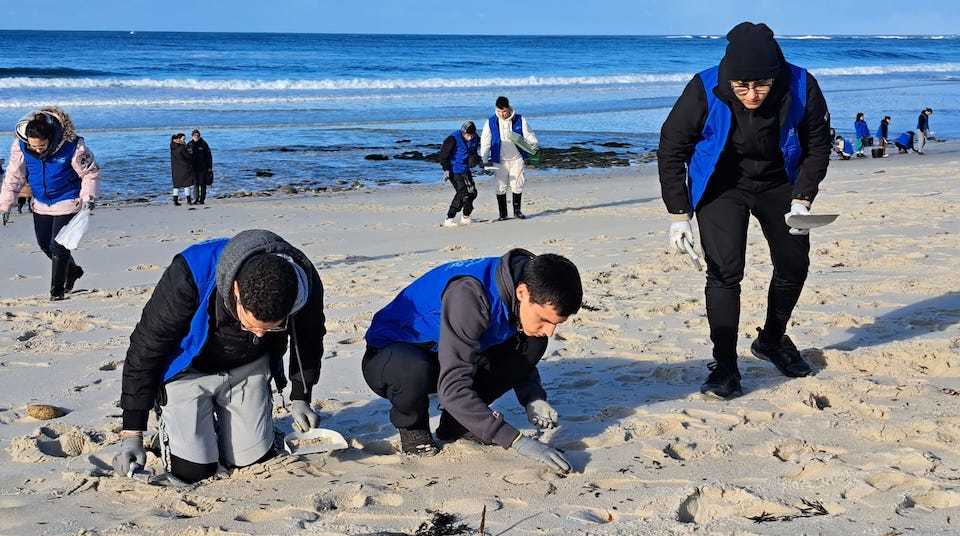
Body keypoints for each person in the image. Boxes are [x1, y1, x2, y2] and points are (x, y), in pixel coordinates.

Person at [657, 22, 831, 400]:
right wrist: (678, 215)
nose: (751, 94)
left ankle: (771, 340)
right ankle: (725, 365)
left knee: (793, 263)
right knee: (724, 272)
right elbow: (671, 147)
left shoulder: (801, 85)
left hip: (778, 182)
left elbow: (818, 145)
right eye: (742, 87)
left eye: (761, 85)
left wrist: (803, 197)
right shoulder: (704, 88)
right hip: (722, 185)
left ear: (775, 77)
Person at [113, 230, 327, 484]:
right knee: (194, 473)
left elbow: (309, 337)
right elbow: (145, 347)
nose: (259, 334)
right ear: (236, 290)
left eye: (271, 328)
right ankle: (171, 428)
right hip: (187, 371)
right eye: (251, 324)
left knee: (253, 460)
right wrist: (132, 434)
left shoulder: (301, 280)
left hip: (247, 369)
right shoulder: (191, 271)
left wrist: (301, 396)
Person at [362, 249, 582, 473]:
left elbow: (515, 356)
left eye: (557, 323)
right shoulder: (468, 295)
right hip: (392, 356)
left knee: (534, 341)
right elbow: (452, 389)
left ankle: (456, 424)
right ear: (522, 292)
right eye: (545, 319)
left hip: (452, 351)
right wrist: (517, 441)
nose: (550, 331)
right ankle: (414, 430)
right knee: (414, 369)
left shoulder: (527, 279)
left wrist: (533, 397)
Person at [0, 107, 100, 300]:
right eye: (33, 146)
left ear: (51, 138)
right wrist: (5, 205)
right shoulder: (20, 146)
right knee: (45, 244)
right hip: (41, 203)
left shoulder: (72, 146)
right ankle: (72, 271)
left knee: (59, 245)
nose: (37, 150)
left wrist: (88, 201)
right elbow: (14, 176)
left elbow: (90, 173)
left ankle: (57, 291)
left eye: (42, 146)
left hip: (68, 199)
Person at [480, 96, 539, 221]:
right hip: (499, 160)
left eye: (504, 111)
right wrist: (485, 160)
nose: (502, 114)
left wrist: (531, 146)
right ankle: (503, 214)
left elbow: (531, 138)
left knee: (517, 184)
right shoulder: (490, 122)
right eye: (500, 111)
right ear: (496, 109)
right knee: (500, 186)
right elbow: (485, 142)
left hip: (517, 159)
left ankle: (517, 211)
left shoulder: (520, 119)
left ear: (509, 108)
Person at [438, 121, 480, 227]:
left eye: (472, 135)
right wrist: (446, 169)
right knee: (462, 193)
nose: (469, 137)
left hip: (465, 170)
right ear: (463, 132)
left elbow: (474, 153)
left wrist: (478, 161)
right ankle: (449, 218)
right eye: (467, 135)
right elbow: (443, 156)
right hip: (453, 170)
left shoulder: (475, 138)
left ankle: (466, 217)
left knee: (472, 193)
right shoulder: (452, 139)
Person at [187, 129, 213, 204]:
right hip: (193, 168)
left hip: (203, 168)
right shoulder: (189, 144)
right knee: (195, 184)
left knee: (203, 184)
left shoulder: (204, 144)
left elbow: (209, 156)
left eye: (198, 135)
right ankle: (195, 199)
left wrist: (210, 167)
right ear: (192, 136)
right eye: (195, 135)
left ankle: (202, 200)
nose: (196, 137)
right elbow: (186, 157)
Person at [170, 133, 193, 206]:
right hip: (184, 168)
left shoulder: (172, 146)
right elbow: (188, 156)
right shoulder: (182, 147)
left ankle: (175, 201)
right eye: (183, 139)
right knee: (187, 184)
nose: (184, 140)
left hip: (175, 169)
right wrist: (189, 151)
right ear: (178, 139)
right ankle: (189, 200)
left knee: (176, 185)